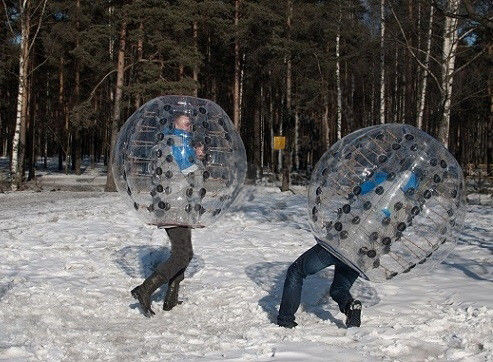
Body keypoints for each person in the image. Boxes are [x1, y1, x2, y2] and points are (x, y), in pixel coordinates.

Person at [277, 170, 420, 329]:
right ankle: (350, 307)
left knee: (296, 271)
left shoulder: (378, 182)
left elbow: (353, 195)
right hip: (363, 255)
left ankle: (285, 320)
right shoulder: (406, 208)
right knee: (339, 288)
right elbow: (392, 236)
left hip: (340, 242)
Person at [131, 113, 206, 317]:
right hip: (176, 208)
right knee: (182, 254)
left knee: (185, 253)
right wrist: (197, 159)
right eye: (185, 123)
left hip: (173, 206)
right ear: (174, 124)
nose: (189, 126)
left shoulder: (165, 142)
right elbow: (193, 176)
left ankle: (171, 298)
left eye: (190, 123)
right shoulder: (179, 144)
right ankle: (145, 289)